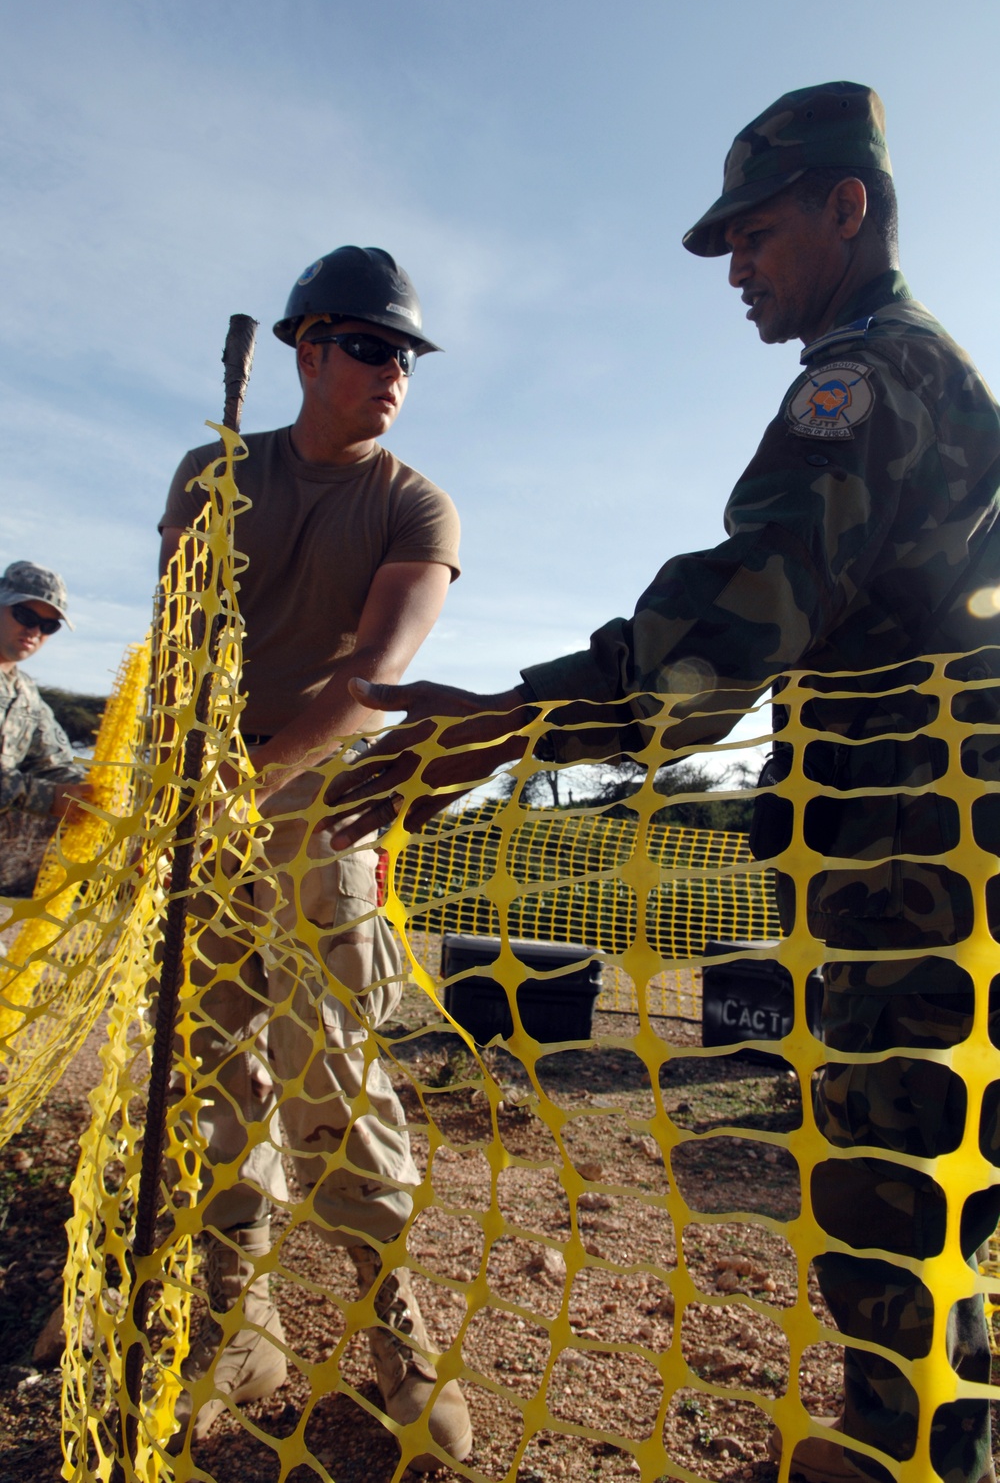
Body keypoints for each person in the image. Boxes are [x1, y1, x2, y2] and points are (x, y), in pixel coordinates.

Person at [325, 85, 1000, 1483]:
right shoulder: (916, 368)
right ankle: (914, 1430)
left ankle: (915, 1450)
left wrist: (513, 717)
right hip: (924, 843)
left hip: (919, 857)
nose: (739, 271)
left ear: (845, 207)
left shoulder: (866, 377)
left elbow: (740, 618)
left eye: (753, 236)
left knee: (891, 1175)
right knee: (928, 1169)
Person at [158, 246, 472, 1469]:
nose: (394, 371)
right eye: (370, 347)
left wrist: (255, 780)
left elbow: (374, 681)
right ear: (306, 350)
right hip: (201, 802)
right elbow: (179, 633)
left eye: (406, 355)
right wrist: (182, 776)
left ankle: (399, 1341)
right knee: (214, 1066)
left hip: (320, 813)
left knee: (333, 1073)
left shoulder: (414, 505)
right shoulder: (214, 470)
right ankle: (241, 1335)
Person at [0, 559, 90, 821]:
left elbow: (53, 766)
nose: (35, 631)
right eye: (25, 616)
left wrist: (98, 794)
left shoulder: (25, 695)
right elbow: (50, 791)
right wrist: (46, 798)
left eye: (49, 626)